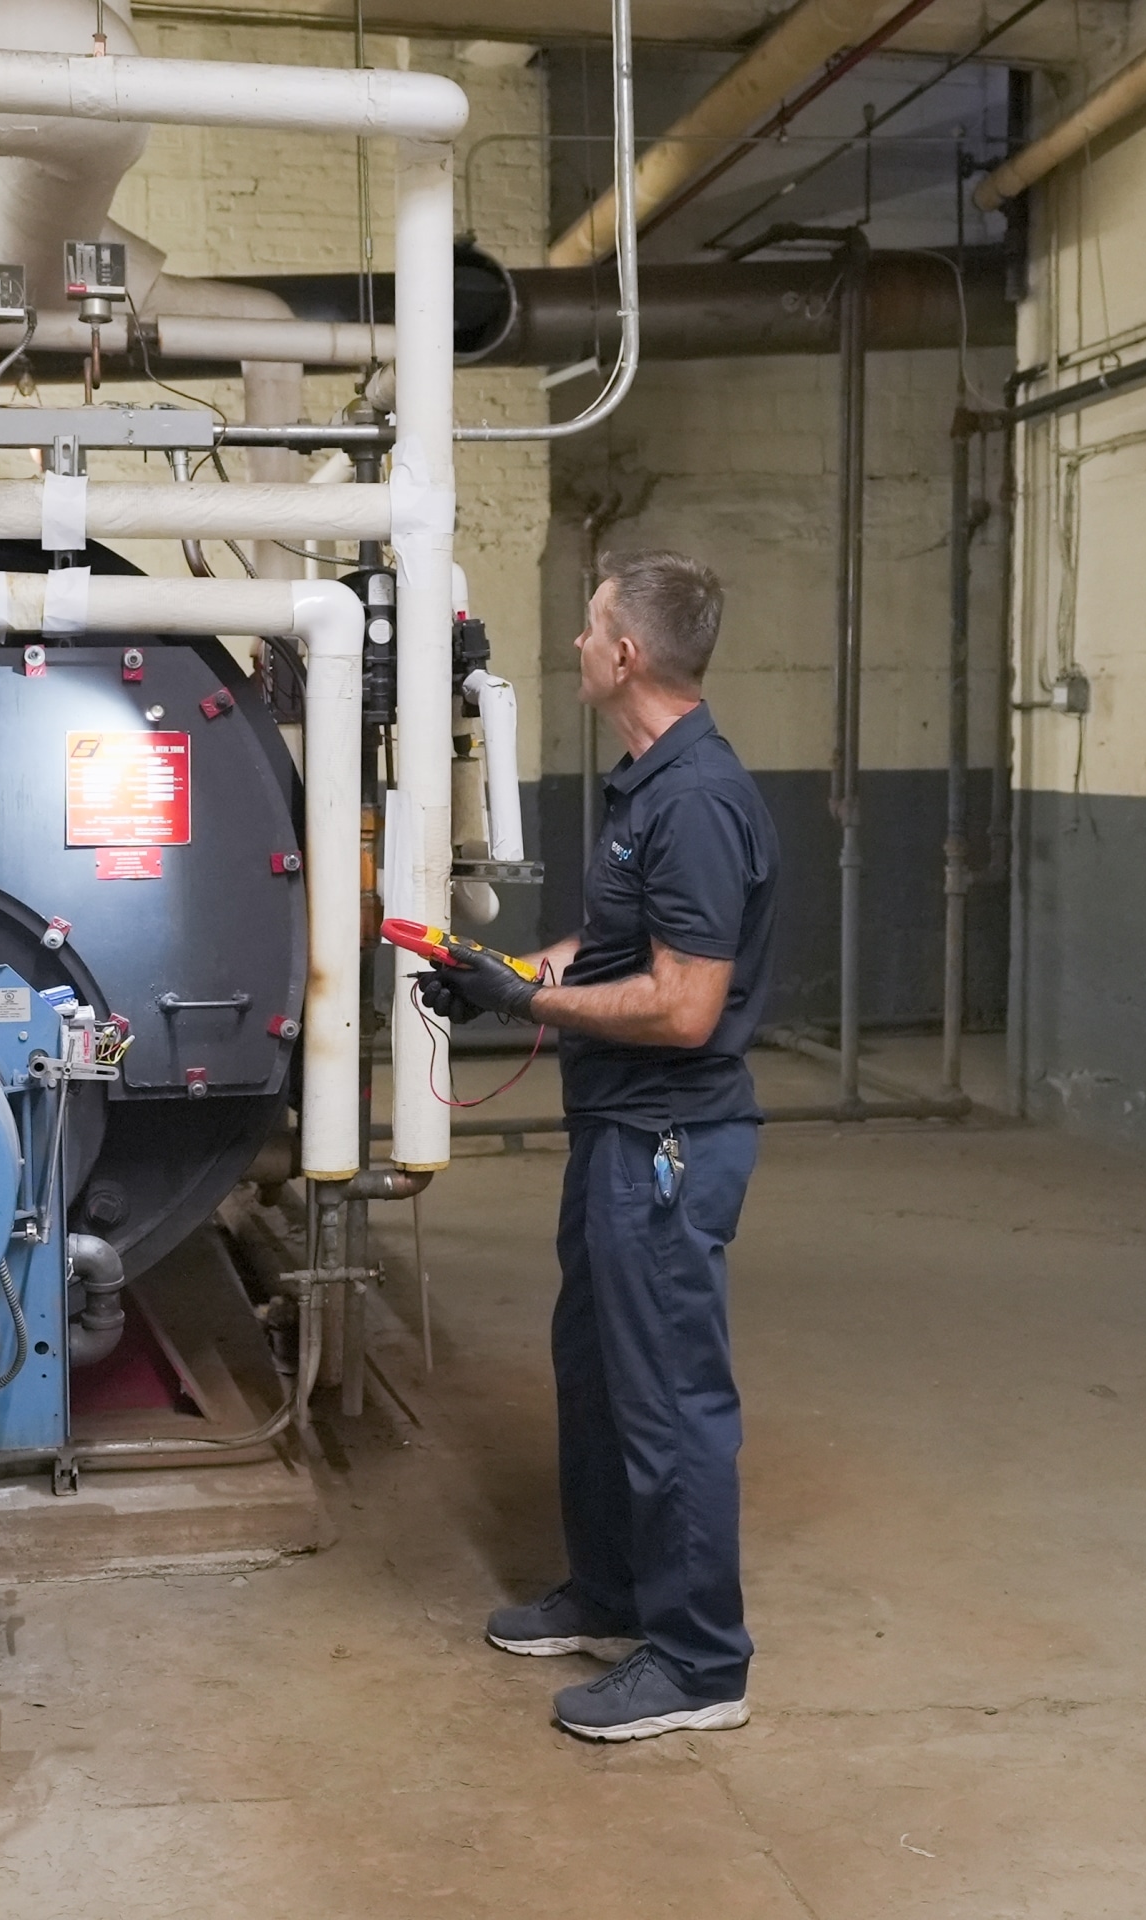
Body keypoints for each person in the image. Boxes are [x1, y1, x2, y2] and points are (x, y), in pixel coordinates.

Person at [418, 548, 779, 1742]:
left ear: (625, 654)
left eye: (586, 629)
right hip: (617, 1133)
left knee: (669, 1397)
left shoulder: (697, 802)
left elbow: (681, 1006)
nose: (572, 645)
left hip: (668, 1138)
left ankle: (697, 1664)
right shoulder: (644, 784)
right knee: (597, 1374)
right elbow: (613, 952)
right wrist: (505, 972)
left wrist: (523, 1008)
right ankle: (614, 1595)